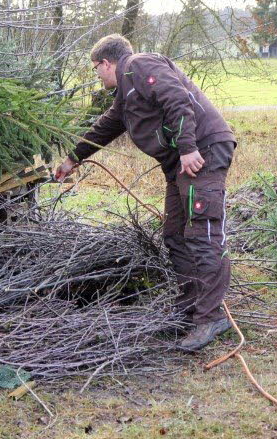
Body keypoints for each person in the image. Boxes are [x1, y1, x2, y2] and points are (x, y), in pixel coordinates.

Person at [54, 34, 237, 352]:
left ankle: (210, 318)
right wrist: (72, 159)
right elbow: (106, 127)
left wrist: (188, 148)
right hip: (181, 163)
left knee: (202, 233)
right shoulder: (126, 93)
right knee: (175, 235)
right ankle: (188, 312)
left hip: (201, 152)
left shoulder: (140, 64)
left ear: (106, 63)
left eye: (96, 69)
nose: (97, 76)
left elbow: (176, 100)